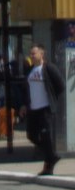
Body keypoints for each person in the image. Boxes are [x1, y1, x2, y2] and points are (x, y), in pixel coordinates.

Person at [24, 44, 64, 175]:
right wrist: (25, 105)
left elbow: (60, 85)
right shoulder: (31, 70)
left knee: (46, 136)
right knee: (31, 135)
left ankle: (48, 165)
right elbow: (28, 89)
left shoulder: (48, 68)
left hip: (45, 109)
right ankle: (51, 156)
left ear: (42, 54)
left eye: (34, 53)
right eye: (31, 53)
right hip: (33, 109)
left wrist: (52, 98)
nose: (31, 56)